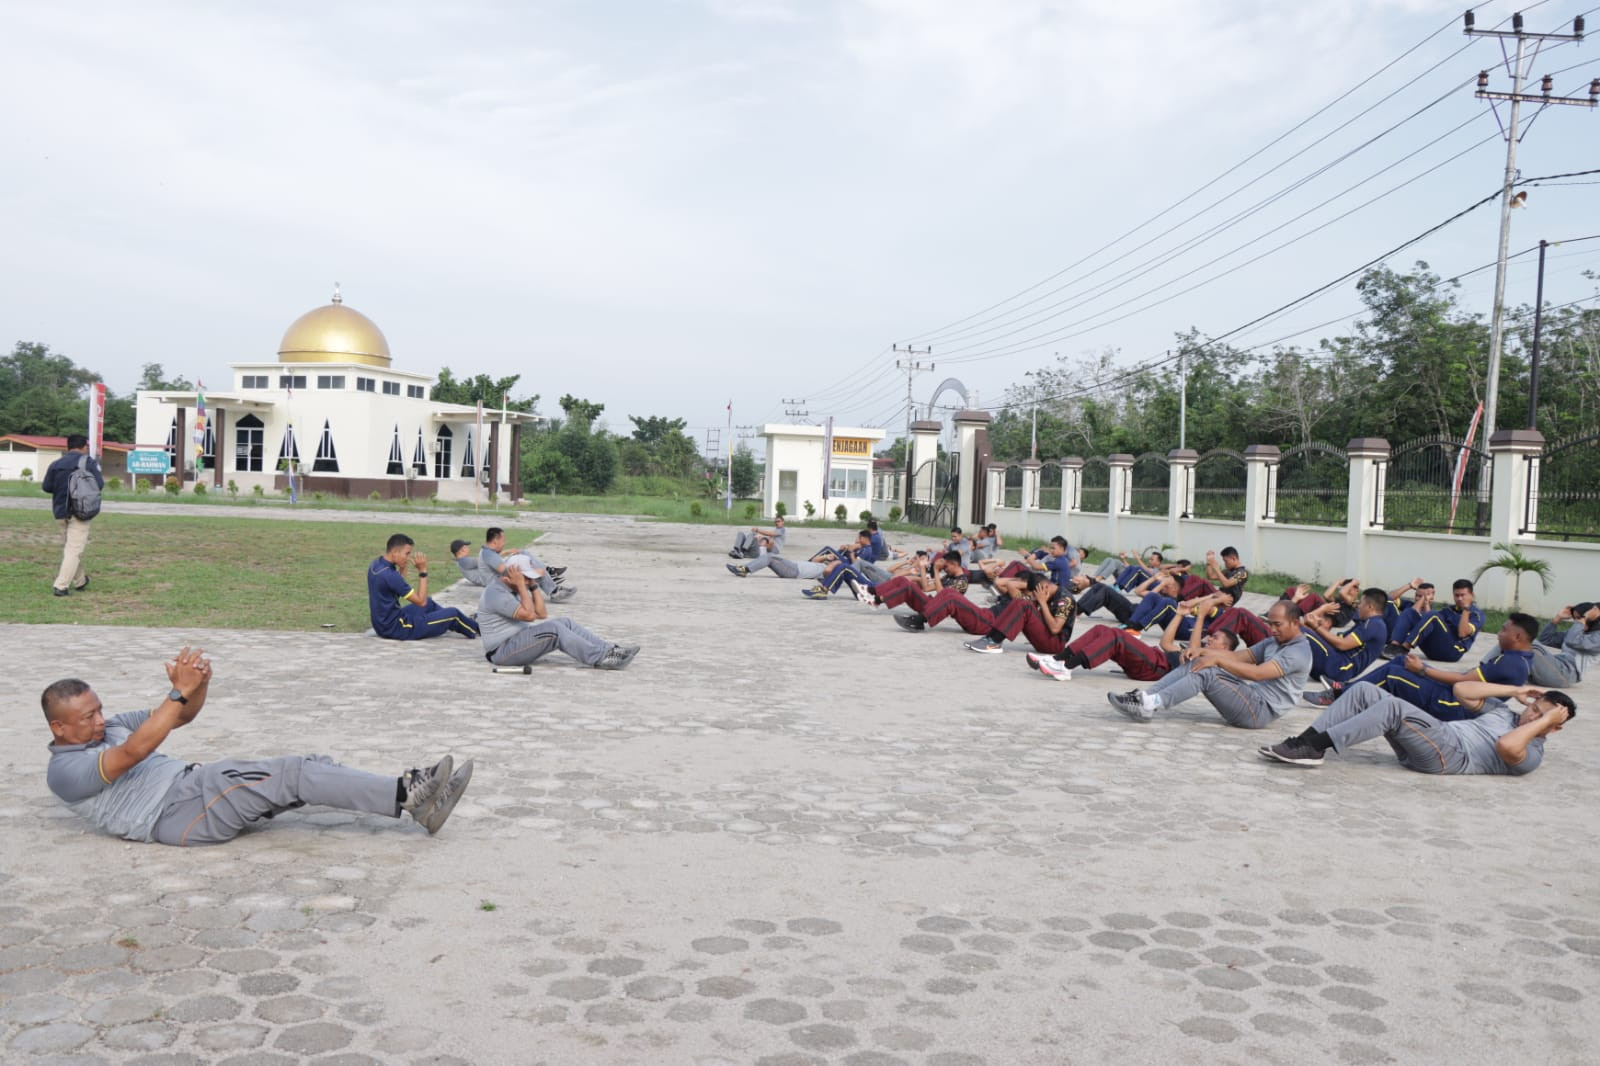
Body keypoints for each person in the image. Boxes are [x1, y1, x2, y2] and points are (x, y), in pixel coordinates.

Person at [41, 646, 473, 844]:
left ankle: (424, 807)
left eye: (99, 710)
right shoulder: (64, 773)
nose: (100, 720)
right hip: (176, 812)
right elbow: (135, 752)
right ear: (59, 728)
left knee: (309, 766)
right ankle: (408, 793)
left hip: (195, 790)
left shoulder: (113, 726)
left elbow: (182, 716)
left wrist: (198, 687)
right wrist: (176, 694)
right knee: (298, 774)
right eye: (87, 717)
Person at [1258, 679, 1574, 776]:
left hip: (1449, 758)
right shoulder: (1505, 712)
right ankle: (1306, 741)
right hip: (1437, 736)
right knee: (1366, 690)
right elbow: (1462, 690)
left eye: (1540, 716)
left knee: (1394, 707)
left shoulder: (1532, 751)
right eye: (1532, 708)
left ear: (1554, 727)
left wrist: (1545, 721)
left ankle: (1316, 747)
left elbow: (1506, 747)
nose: (1530, 715)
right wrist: (1514, 692)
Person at [1106, 601, 1312, 728]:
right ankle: (1146, 699)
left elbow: (1258, 674)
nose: (1273, 629)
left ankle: (1150, 704)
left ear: (1296, 623)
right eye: (1271, 624)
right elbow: (1240, 657)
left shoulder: (1298, 652)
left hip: (1260, 711)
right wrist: (1203, 651)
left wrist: (1217, 659)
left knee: (1207, 672)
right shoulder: (1273, 642)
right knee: (1199, 661)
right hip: (1251, 698)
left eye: (1278, 625)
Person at [1350, 615, 1539, 719]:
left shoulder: (1509, 663)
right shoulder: (1521, 658)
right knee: (1401, 662)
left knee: (1393, 674)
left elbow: (1463, 681)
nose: (1498, 634)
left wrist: (1423, 670)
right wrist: (1421, 667)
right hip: (1457, 695)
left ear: (1517, 637)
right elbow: (1466, 677)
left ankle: (1341, 696)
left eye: (1504, 630)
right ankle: (1347, 692)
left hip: (1453, 705)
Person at [1028, 597, 1240, 681]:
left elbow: (1195, 650)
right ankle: (1058, 659)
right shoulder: (1199, 650)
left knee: (1117, 635)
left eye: (1216, 637)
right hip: (1154, 660)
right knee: (1102, 628)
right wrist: (1179, 614)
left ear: (1226, 648)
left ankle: (1067, 667)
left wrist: (1201, 615)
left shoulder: (1220, 658)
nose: (1210, 639)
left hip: (1158, 669)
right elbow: (1165, 644)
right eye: (1211, 636)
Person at [478, 564, 639, 670]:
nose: (527, 581)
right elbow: (529, 616)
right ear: (507, 579)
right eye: (525, 578)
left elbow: (541, 614)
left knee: (565, 622)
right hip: (502, 651)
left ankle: (609, 649)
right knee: (555, 630)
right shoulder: (496, 593)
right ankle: (601, 658)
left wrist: (533, 585)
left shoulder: (515, 587)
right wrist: (521, 585)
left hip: (517, 640)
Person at [367, 533, 479, 641]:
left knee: (430, 603)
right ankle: (478, 629)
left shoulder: (377, 565)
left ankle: (457, 622)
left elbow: (395, 584)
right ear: (395, 551)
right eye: (407, 554)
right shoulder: (390, 576)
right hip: (399, 628)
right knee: (453, 614)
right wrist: (423, 571)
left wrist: (402, 566)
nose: (408, 557)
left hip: (382, 624)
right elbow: (421, 601)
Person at [41, 433, 103, 597]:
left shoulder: (56, 464)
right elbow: (100, 484)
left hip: (60, 512)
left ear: (68, 447)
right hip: (80, 512)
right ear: (84, 447)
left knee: (70, 549)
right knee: (74, 550)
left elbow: (46, 487)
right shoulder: (88, 463)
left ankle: (81, 580)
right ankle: (61, 586)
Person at [1299, 586, 1390, 692]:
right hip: (1334, 665)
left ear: (1370, 607)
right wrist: (1315, 626)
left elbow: (1342, 644)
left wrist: (1316, 627)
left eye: (1361, 603)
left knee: (1299, 630)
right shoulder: (1368, 623)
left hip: (1338, 668)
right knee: (1298, 628)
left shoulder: (1374, 624)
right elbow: (1336, 640)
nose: (1358, 606)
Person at [1382, 578, 1482, 661]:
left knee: (1433, 615)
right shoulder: (1447, 610)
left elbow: (1462, 633)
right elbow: (1430, 624)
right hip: (1431, 651)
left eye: (1463, 595)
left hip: (1452, 652)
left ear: (1471, 595)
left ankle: (1404, 649)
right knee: (1409, 612)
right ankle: (1393, 647)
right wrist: (1411, 586)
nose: (1459, 598)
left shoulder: (1476, 614)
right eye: (1456, 595)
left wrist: (1466, 608)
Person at [481, 527, 573, 602]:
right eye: (503, 540)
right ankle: (553, 588)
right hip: (497, 585)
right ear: (495, 541)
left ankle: (550, 580)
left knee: (523, 553)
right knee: (530, 564)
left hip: (497, 580)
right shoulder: (489, 554)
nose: (505, 543)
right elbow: (506, 572)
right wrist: (530, 572)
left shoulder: (487, 551)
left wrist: (508, 552)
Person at [1529, 602, 1600, 687]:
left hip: (1564, 673)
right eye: (1575, 619)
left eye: (1579, 618)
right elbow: (1546, 640)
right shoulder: (1576, 632)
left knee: (1525, 641)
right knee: (1523, 642)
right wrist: (1557, 619)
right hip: (1554, 667)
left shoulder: (1597, 637)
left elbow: (1572, 641)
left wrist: (1584, 618)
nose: (1576, 622)